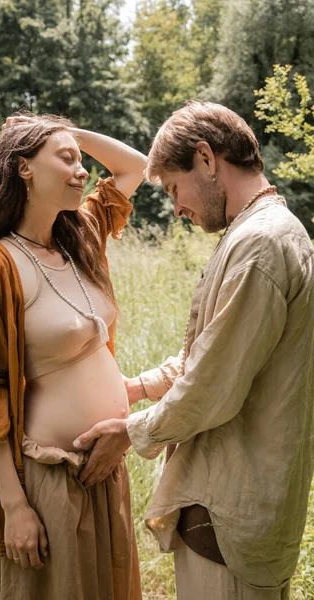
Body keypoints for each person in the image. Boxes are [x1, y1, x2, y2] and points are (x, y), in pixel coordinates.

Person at [73, 101, 314, 600]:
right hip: (223, 504)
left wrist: (130, 432)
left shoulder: (260, 245)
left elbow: (214, 388)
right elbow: (210, 354)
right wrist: (136, 387)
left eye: (174, 189)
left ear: (206, 159)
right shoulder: (257, 232)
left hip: (231, 510)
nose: (178, 208)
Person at [0, 113, 146, 600]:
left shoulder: (80, 236)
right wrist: (16, 507)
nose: (81, 169)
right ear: (23, 167)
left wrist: (64, 134)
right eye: (66, 160)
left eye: (81, 160)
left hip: (107, 468)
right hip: (48, 481)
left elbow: (135, 167)